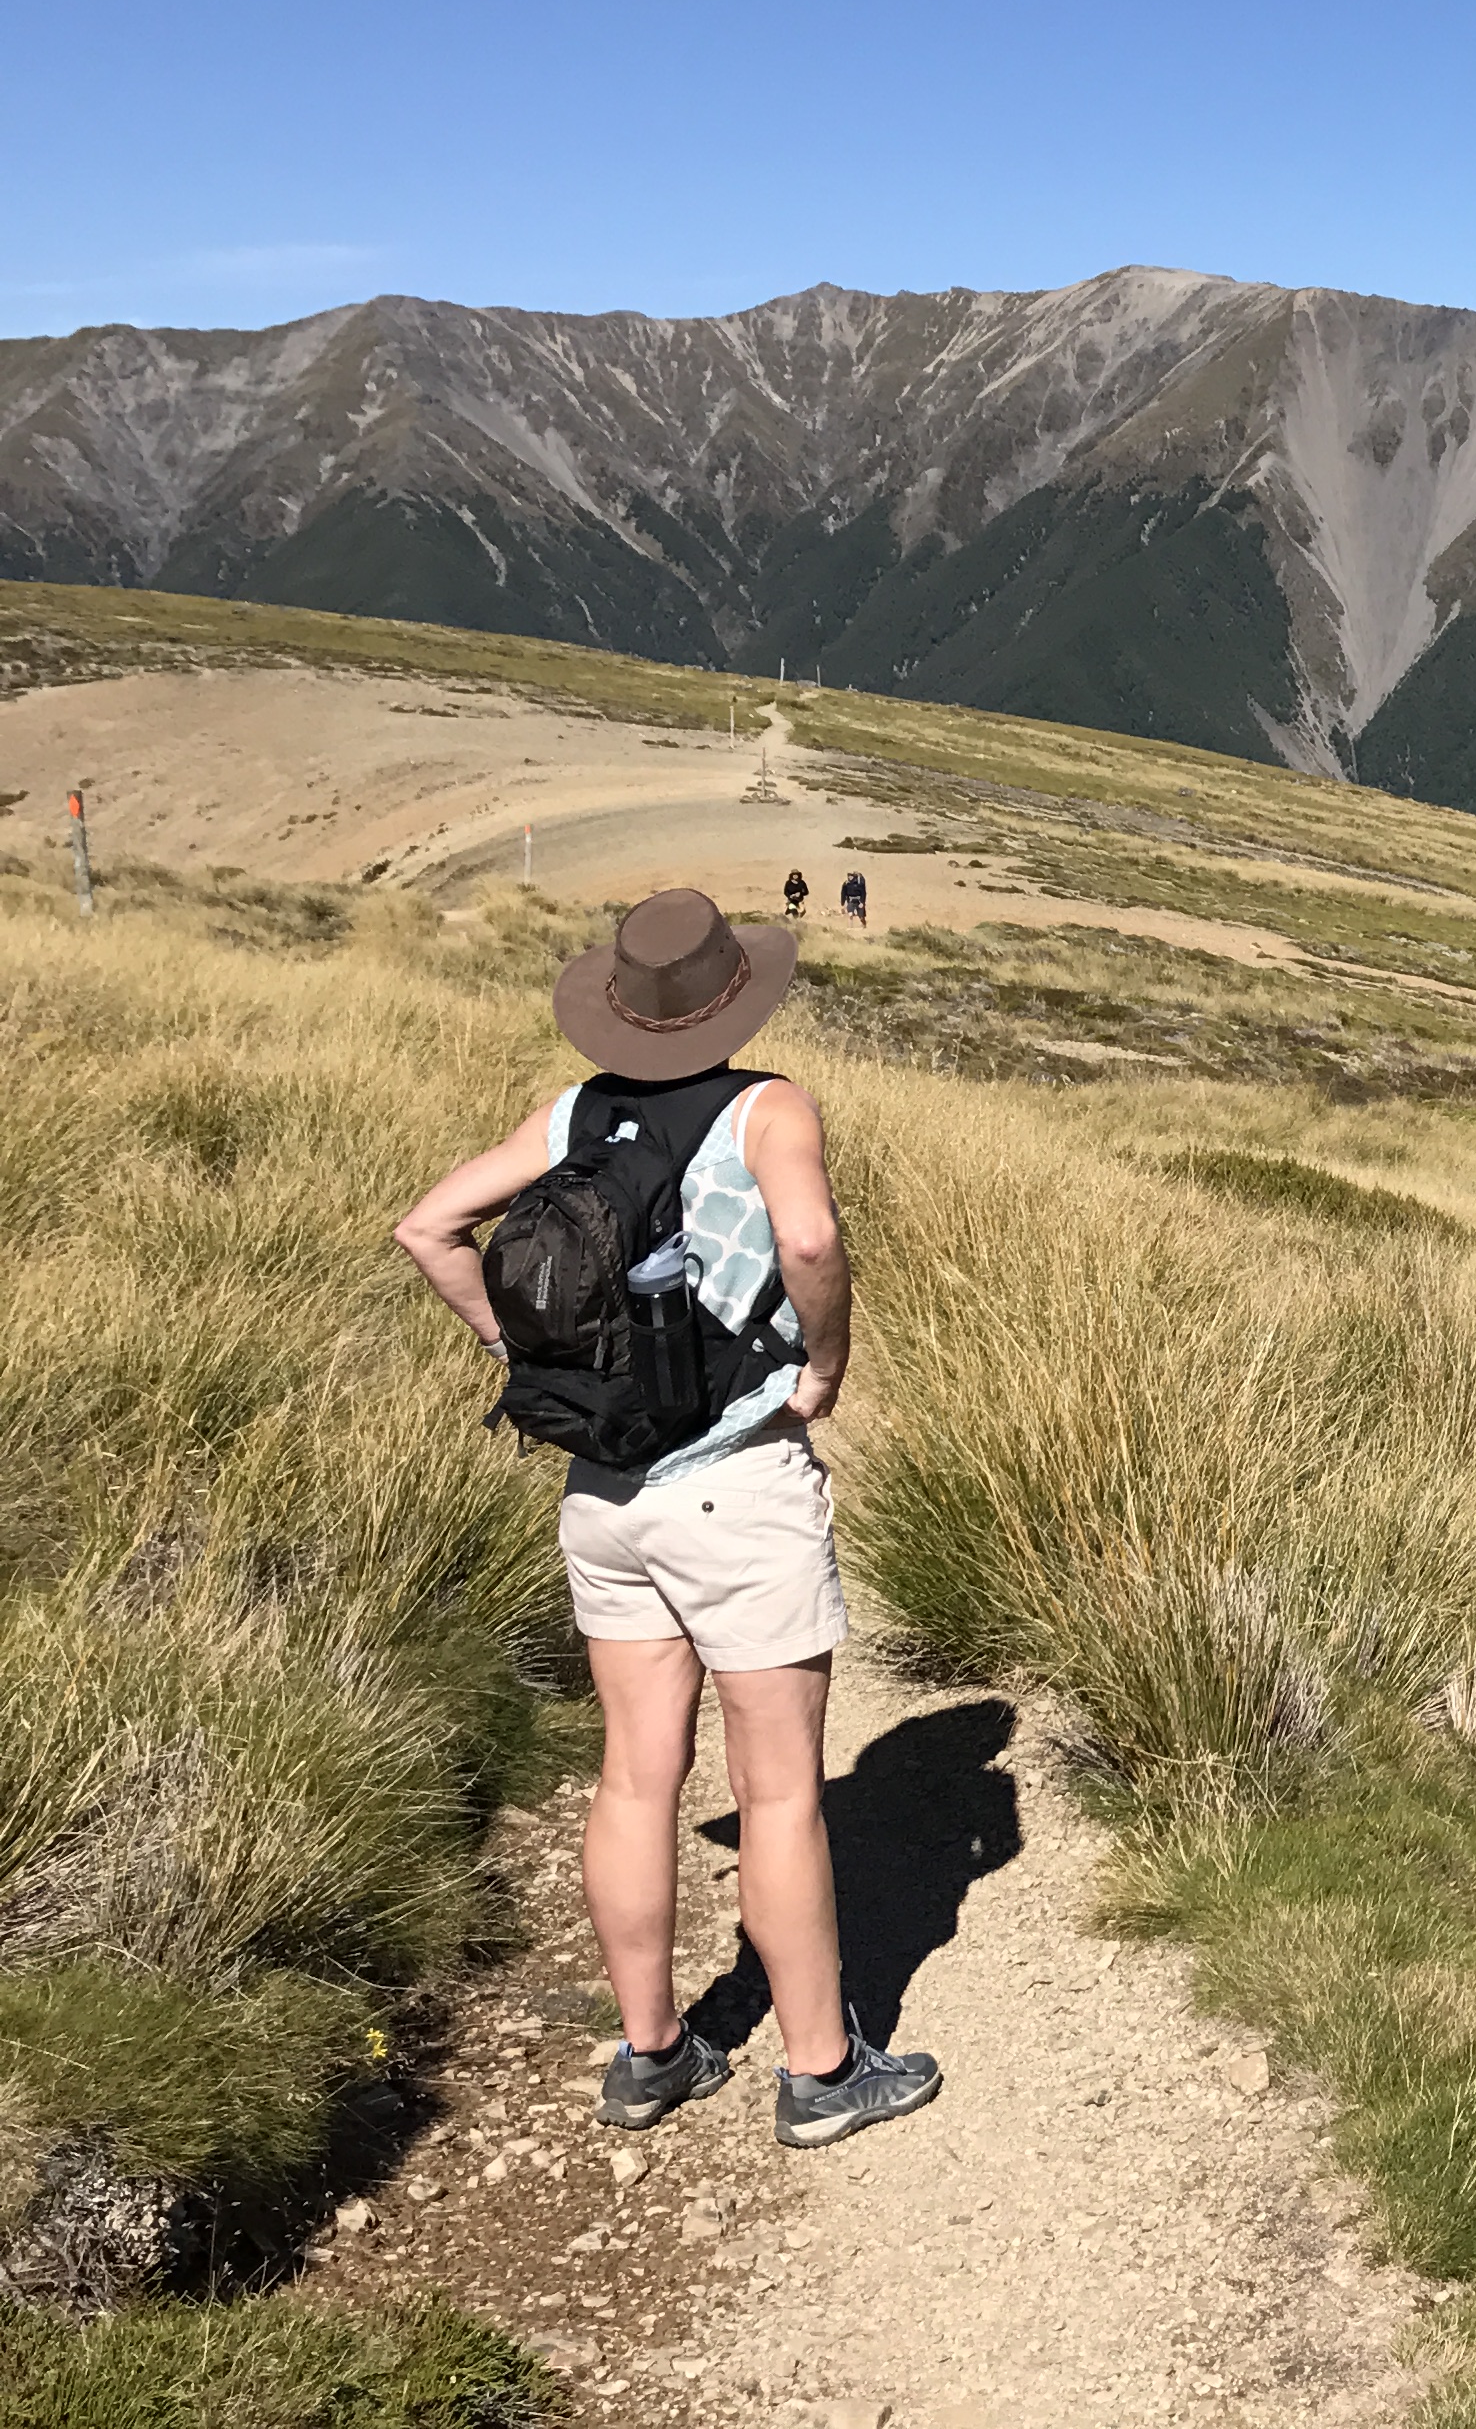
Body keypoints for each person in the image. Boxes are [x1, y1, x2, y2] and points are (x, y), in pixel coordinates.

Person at [393, 888, 942, 2151]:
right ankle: (821, 2072)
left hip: (603, 1494)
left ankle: (651, 2055)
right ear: (733, 1000)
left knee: (636, 1779)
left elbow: (427, 1227)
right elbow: (809, 1239)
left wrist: (520, 1356)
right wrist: (824, 1368)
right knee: (780, 1792)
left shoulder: (574, 1116)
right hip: (735, 1485)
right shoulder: (769, 1108)